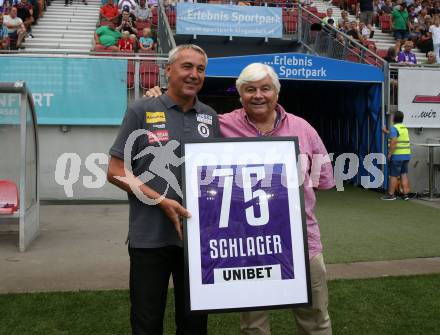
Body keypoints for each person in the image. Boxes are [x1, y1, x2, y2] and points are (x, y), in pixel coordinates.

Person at [146, 63, 335, 335]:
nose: (258, 95)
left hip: (302, 242)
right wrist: (160, 99)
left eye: (265, 88)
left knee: (315, 319)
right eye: (250, 90)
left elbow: (321, 181)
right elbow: (183, 124)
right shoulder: (220, 125)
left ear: (277, 94)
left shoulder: (303, 129)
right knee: (254, 326)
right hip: (246, 246)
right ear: (240, 95)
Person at [107, 44, 219, 335]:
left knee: (194, 324)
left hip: (197, 242)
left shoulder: (210, 117)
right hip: (149, 239)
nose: (194, 74)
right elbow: (115, 171)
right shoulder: (141, 110)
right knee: (146, 322)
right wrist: (161, 201)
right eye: (187, 66)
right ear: (168, 70)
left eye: (201, 69)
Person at [381, 110, 411, 200]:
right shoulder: (404, 128)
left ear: (394, 118)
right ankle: (405, 195)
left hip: (397, 156)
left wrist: (390, 154)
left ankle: (391, 195)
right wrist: (386, 131)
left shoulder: (394, 128)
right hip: (406, 155)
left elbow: (394, 141)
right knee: (404, 174)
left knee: (393, 175)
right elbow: (397, 136)